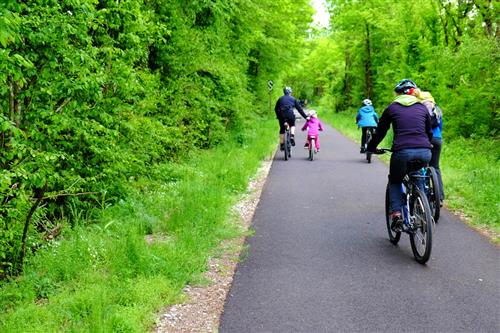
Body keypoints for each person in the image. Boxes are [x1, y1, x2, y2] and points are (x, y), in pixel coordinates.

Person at [367, 79, 433, 231]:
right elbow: (428, 131)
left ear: (397, 94)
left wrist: (371, 147)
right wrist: (427, 145)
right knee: (418, 176)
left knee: (395, 180)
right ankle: (422, 209)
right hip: (424, 151)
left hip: (402, 152)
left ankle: (396, 214)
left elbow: (380, 132)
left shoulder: (392, 108)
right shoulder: (422, 108)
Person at [414, 89, 445, 203]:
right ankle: (439, 197)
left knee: (421, 165)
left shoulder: (418, 108)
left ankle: (424, 195)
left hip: (424, 139)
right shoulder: (436, 108)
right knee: (435, 167)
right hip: (437, 138)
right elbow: (440, 125)